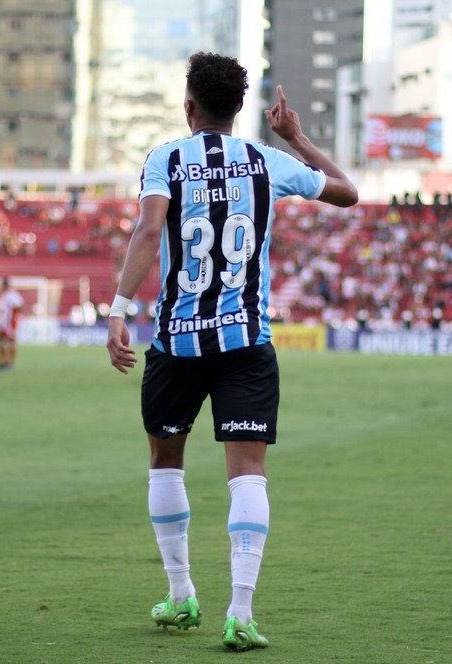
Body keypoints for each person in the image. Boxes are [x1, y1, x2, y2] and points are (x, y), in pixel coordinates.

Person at [105, 53, 357, 652]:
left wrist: (118, 309)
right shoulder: (267, 161)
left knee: (166, 461)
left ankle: (181, 591)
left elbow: (147, 232)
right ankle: (240, 612)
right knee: (248, 474)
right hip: (247, 342)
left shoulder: (166, 157)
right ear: (241, 109)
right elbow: (347, 193)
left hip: (177, 342)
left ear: (188, 106)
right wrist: (297, 138)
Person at [0, 276, 24, 370]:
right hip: (4, 322)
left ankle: (9, 363)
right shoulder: (5, 295)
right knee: (2, 341)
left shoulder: (13, 295)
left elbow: (19, 305)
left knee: (9, 342)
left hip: (9, 323)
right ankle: (3, 362)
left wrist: (13, 318)